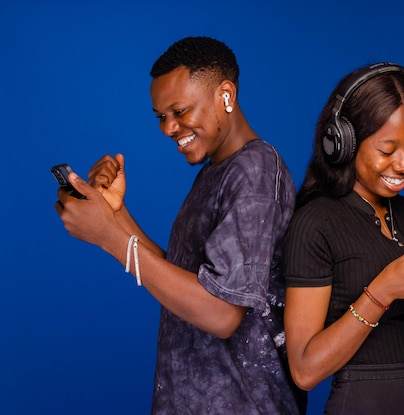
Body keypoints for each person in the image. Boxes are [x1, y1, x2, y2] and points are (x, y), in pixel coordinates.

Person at [55, 36, 306, 415]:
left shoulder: (255, 171)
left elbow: (222, 313)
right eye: (160, 117)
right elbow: (187, 281)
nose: (168, 128)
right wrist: (116, 214)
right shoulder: (218, 171)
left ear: (226, 95)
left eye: (180, 111)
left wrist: (109, 236)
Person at [282, 62, 404, 414]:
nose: (403, 164)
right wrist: (383, 290)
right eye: (388, 150)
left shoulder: (399, 210)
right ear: (343, 143)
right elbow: (305, 370)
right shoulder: (315, 222)